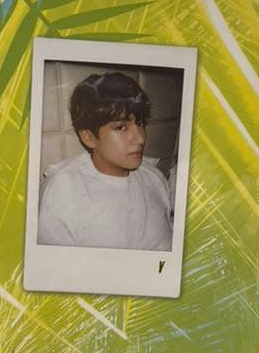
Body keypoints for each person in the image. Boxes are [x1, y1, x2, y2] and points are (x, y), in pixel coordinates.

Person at [37, 72, 173, 251]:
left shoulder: (154, 178)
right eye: (121, 127)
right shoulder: (63, 192)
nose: (140, 138)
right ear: (89, 137)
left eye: (140, 123)